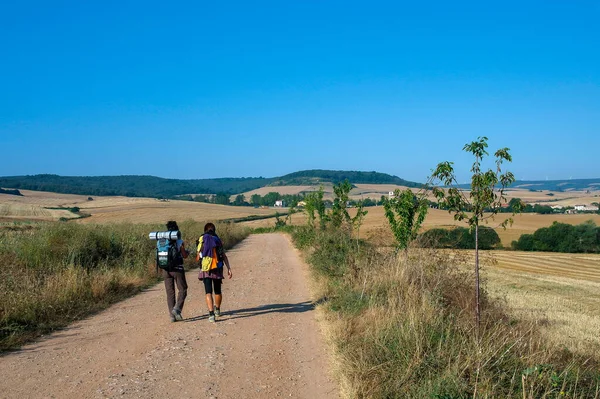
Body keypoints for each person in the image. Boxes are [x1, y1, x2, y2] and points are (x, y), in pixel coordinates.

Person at [196, 222, 232, 322]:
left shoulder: (202, 240)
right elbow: (223, 255)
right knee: (217, 290)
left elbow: (198, 256)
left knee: (208, 292)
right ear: (214, 230)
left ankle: (211, 314)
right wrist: (229, 268)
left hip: (206, 269)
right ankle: (217, 310)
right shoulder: (217, 240)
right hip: (217, 268)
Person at [163, 220, 189, 322]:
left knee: (170, 293)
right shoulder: (179, 241)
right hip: (177, 269)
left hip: (165, 269)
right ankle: (177, 309)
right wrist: (187, 252)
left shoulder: (162, 240)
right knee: (183, 289)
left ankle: (172, 317)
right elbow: (184, 255)